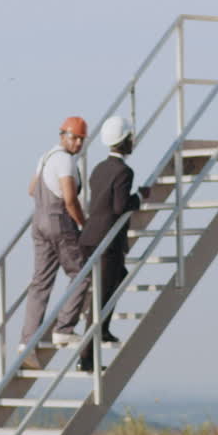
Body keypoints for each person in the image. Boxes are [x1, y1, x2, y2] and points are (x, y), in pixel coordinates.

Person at [78, 115, 150, 372]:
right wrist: (140, 197)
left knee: (116, 279)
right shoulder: (124, 172)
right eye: (130, 138)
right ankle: (86, 359)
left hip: (89, 237)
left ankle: (104, 330)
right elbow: (120, 206)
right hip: (106, 241)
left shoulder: (99, 168)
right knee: (100, 298)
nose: (133, 141)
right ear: (124, 141)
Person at [19, 116, 90, 353]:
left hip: (38, 221)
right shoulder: (66, 162)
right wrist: (84, 223)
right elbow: (70, 200)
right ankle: (64, 329)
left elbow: (32, 189)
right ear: (63, 136)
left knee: (40, 281)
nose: (78, 143)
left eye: (81, 139)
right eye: (74, 138)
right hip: (58, 221)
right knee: (82, 272)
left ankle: (27, 340)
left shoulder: (46, 157)